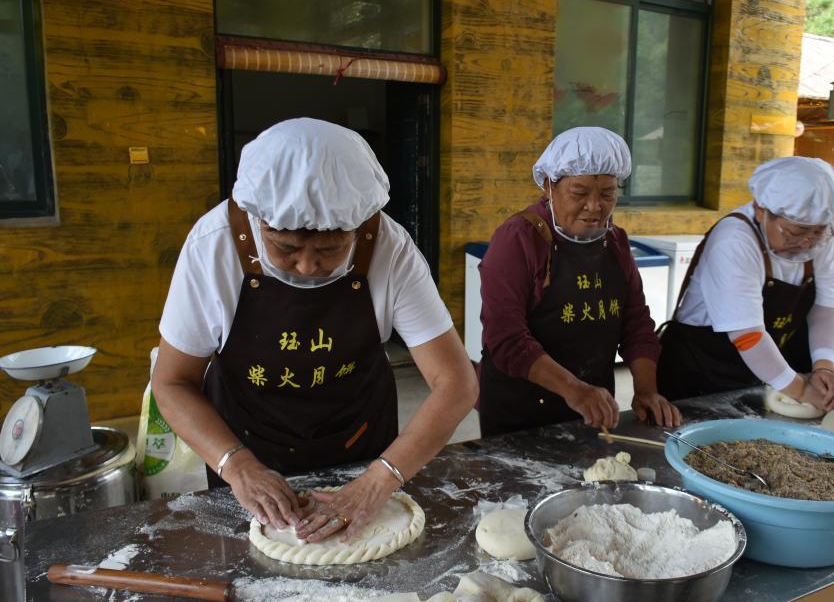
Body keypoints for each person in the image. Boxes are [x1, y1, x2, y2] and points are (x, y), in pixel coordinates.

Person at [152, 118, 477, 543]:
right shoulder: (214, 245)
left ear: (360, 226)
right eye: (285, 248)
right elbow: (172, 382)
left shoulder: (390, 248)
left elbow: (456, 383)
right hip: (246, 446)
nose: (307, 266)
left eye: (330, 249)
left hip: (360, 447)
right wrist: (237, 465)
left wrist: (380, 478)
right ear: (257, 221)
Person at [477, 127, 680, 436]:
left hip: (593, 405)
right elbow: (506, 338)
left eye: (607, 194)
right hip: (521, 410)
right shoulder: (519, 238)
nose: (595, 206)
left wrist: (646, 390)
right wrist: (574, 389)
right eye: (579, 193)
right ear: (549, 185)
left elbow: (636, 323)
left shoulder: (615, 242)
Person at [657, 157, 834, 412]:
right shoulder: (734, 240)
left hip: (757, 367)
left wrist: (825, 367)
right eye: (796, 232)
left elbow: (826, 307)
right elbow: (747, 335)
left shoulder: (817, 239)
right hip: (699, 369)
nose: (807, 242)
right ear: (761, 210)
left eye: (817, 232)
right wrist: (801, 390)